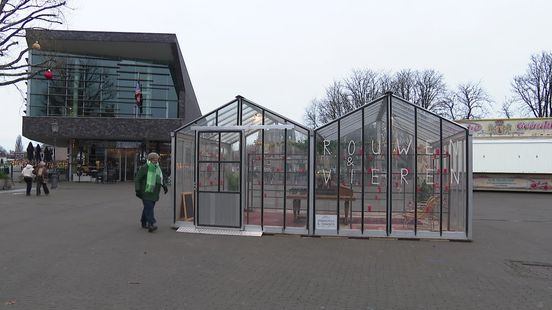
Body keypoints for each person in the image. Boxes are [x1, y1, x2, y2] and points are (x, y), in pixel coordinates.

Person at [134, 152, 168, 232]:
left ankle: (143, 222)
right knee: (149, 208)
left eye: (157, 159)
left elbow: (160, 178)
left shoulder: (157, 168)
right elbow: (137, 179)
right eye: (154, 159)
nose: (156, 160)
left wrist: (164, 186)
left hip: (154, 192)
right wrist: (137, 189)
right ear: (150, 159)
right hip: (146, 191)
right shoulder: (144, 168)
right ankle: (151, 224)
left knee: (148, 208)